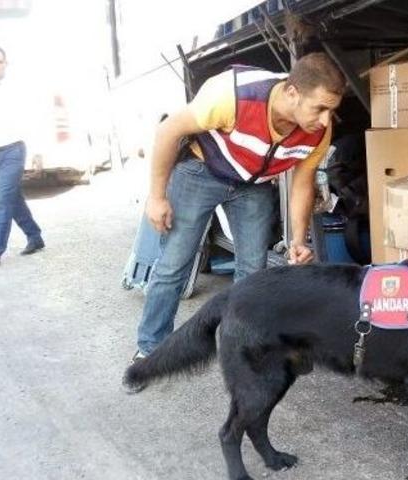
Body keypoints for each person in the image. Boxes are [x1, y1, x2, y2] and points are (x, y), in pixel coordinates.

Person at [133, 53, 345, 360]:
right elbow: (168, 131)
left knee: (253, 273)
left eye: (332, 111)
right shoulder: (231, 95)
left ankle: (242, 350)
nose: (326, 121)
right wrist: (156, 197)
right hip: (201, 172)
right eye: (320, 109)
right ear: (291, 93)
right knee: (173, 265)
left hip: (253, 185)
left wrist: (298, 239)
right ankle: (150, 349)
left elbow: (302, 182)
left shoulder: (319, 132)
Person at [0, 44, 45, 268]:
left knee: (3, 200)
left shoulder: (18, 89)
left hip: (14, 151)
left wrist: (37, 152)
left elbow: (32, 121)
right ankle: (34, 236)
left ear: (6, 64)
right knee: (12, 199)